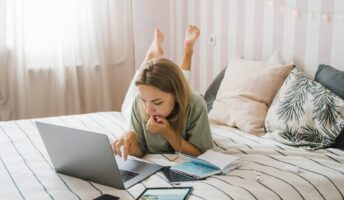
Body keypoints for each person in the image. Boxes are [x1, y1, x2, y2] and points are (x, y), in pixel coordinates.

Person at [113, 25, 213, 160]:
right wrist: (130, 142)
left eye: (157, 102)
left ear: (177, 96)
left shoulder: (195, 104)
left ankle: (187, 51)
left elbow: (202, 154)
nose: (148, 110)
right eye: (144, 100)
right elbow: (141, 151)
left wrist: (167, 132)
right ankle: (160, 54)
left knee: (178, 79)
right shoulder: (138, 103)